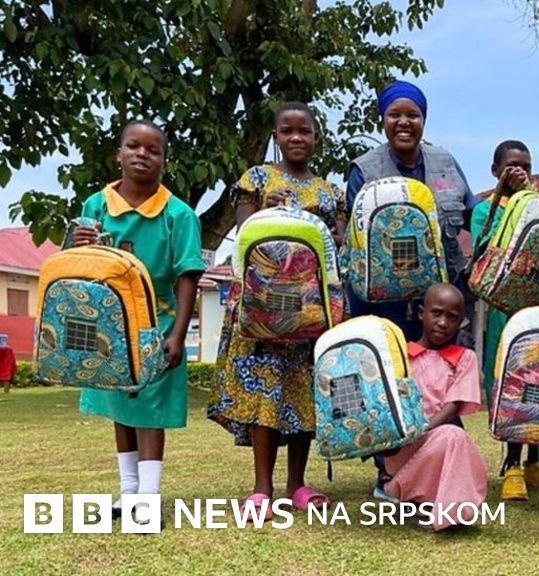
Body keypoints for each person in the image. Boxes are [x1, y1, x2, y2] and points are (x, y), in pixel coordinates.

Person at [208, 102, 345, 515]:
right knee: (264, 394)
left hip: (311, 311)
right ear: (276, 137)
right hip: (261, 310)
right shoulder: (256, 180)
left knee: (304, 392)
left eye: (304, 130)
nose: (296, 137)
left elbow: (338, 246)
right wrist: (268, 207)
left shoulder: (330, 192)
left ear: (316, 138)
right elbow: (244, 233)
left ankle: (297, 484)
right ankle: (262, 488)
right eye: (288, 130)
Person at [74, 119, 205, 521]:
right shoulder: (96, 206)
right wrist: (80, 246)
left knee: (149, 407)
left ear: (164, 160)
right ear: (119, 153)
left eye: (153, 150)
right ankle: (127, 490)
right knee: (121, 407)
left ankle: (147, 496)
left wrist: (178, 334)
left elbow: (187, 277)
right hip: (109, 326)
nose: (142, 154)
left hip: (157, 322)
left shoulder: (178, 215)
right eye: (133, 146)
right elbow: (77, 266)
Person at [345, 80, 478, 339]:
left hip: (442, 311)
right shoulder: (363, 171)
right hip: (382, 313)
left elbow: (473, 217)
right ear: (383, 120)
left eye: (413, 115)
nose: (404, 122)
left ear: (423, 120)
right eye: (394, 115)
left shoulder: (445, 162)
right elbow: (355, 245)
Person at [469, 140, 539, 500]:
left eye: (526, 166)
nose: (520, 171)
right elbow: (486, 249)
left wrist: (528, 197)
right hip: (503, 310)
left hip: (536, 309)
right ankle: (511, 465)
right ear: (495, 171)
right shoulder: (484, 210)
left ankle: (534, 461)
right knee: (511, 383)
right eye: (512, 166)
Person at [380, 283, 488, 531]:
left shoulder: (464, 358)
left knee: (453, 436)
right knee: (453, 437)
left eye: (452, 317)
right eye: (436, 313)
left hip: (435, 441)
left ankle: (440, 509)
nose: (443, 322)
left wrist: (421, 431)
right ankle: (407, 492)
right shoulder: (401, 356)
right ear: (421, 313)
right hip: (402, 448)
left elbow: (452, 407)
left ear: (461, 323)